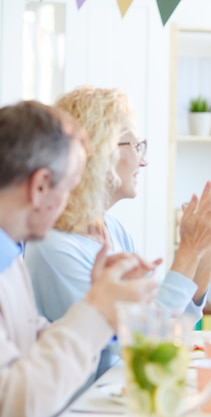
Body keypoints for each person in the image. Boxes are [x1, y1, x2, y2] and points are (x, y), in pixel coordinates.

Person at [24, 86, 211, 377]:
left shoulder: (112, 229)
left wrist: (205, 256)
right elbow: (133, 350)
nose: (143, 160)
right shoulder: (53, 248)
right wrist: (188, 251)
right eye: (134, 145)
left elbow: (170, 327)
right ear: (99, 151)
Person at [0, 100, 160, 417]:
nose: (70, 205)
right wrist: (97, 311)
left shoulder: (12, 257)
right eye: (70, 188)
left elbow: (27, 339)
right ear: (41, 186)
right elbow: (15, 402)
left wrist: (105, 306)